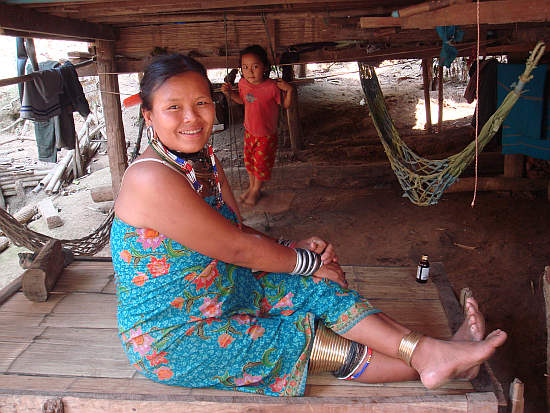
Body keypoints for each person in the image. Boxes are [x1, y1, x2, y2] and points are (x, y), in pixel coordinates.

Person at [110, 53, 507, 397]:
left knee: (318, 290)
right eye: (173, 107)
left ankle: (431, 352)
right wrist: (305, 260)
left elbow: (238, 231)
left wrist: (294, 247)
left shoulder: (204, 161)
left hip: (226, 291)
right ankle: (443, 362)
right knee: (295, 339)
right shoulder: (151, 178)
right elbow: (236, 248)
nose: (192, 117)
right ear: (149, 115)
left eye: (200, 102)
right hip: (176, 334)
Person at [221, 45, 293, 206]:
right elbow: (243, 100)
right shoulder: (243, 84)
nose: (250, 72)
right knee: (250, 162)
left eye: (255, 66)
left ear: (265, 67)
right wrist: (230, 94)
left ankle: (255, 191)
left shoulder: (272, 87)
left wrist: (289, 91)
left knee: (260, 164)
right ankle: (253, 187)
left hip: (266, 135)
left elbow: (286, 105)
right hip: (249, 131)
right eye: (245, 67)